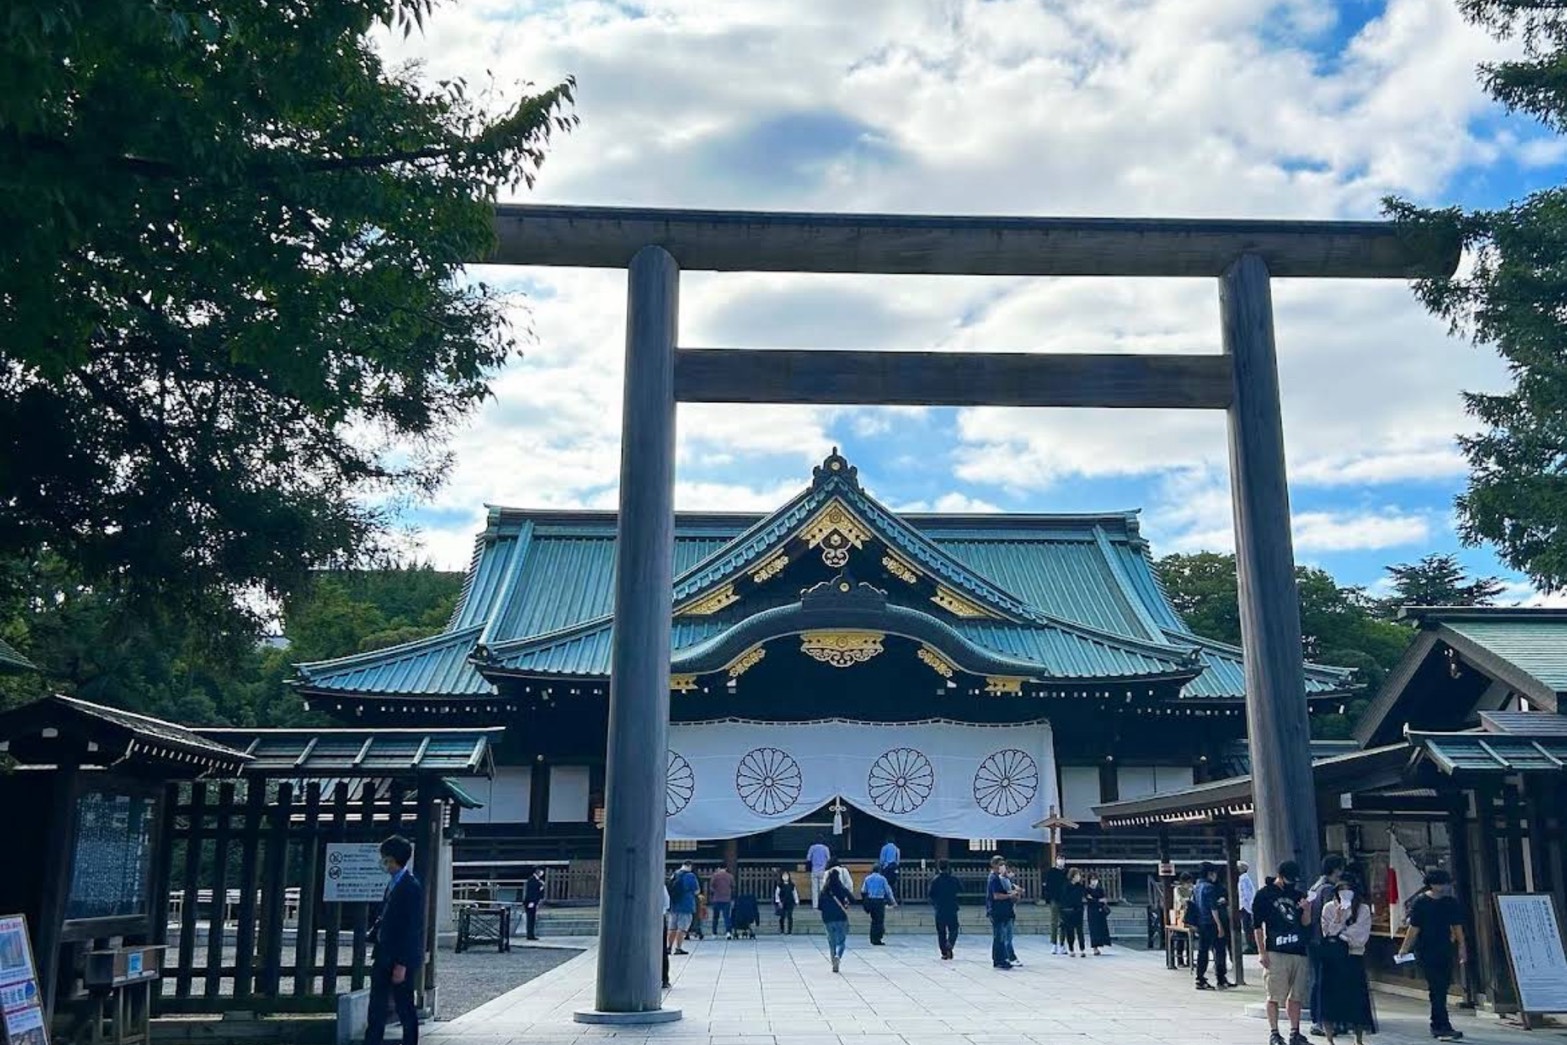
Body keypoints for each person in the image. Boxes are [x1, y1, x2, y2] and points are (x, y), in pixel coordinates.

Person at [1397, 869, 1467, 1042]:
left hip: (1444, 947)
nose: (1443, 887)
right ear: (1432, 884)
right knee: (1436, 987)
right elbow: (1414, 928)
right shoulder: (1420, 903)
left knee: (1442, 986)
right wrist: (1404, 948)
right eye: (1440, 883)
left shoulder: (1450, 902)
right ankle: (1441, 1025)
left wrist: (1462, 947)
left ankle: (1438, 1023)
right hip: (1426, 949)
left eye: (1445, 883)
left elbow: (1457, 926)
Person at [366, 836, 423, 1045]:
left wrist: (402, 963)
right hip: (384, 952)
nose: (383, 863)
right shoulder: (394, 883)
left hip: (400, 956)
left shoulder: (410, 887)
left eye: (386, 859)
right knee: (377, 1005)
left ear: (393, 859)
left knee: (404, 1005)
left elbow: (411, 928)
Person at [1254, 860, 1314, 1045]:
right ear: (1280, 875)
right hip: (1275, 950)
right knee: (1274, 995)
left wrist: (1306, 910)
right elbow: (1257, 926)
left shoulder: (1298, 894)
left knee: (1296, 995)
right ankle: (1274, 1033)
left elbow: (1305, 924)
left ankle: (1295, 1032)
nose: (1292, 883)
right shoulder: (1264, 895)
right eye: (1289, 879)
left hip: (1298, 950)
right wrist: (1262, 952)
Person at [1318, 873, 1376, 1045]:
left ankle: (1358, 1039)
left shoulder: (1363, 909)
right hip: (1332, 960)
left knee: (1356, 1000)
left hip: (1353, 957)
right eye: (1341, 890)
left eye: (1348, 890)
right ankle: (1330, 1038)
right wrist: (1337, 919)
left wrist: (1341, 936)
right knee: (1329, 1001)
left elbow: (1361, 935)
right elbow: (1327, 933)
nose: (1345, 893)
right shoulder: (1329, 908)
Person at [1307, 854, 1348, 1037]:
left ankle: (1317, 1020)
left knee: (1318, 981)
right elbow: (1331, 918)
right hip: (1326, 941)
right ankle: (1326, 1022)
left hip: (1313, 941)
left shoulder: (1314, 887)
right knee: (1329, 983)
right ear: (1337, 869)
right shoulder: (1329, 890)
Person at [1193, 861, 1232, 990]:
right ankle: (1221, 978)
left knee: (1202, 951)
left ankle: (1200, 978)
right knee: (1219, 950)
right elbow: (1213, 908)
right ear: (1210, 873)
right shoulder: (1209, 887)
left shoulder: (1197, 886)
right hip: (1212, 922)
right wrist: (1219, 925)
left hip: (1201, 922)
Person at [819, 859, 854, 973]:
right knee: (841, 942)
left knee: (831, 941)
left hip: (827, 919)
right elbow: (853, 898)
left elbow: (819, 906)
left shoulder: (824, 891)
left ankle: (833, 960)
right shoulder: (841, 889)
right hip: (841, 917)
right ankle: (838, 956)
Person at [987, 855, 1020, 970]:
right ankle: (1000, 959)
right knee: (999, 936)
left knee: (1001, 936)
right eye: (1000, 865)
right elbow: (996, 895)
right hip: (997, 911)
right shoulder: (994, 878)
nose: (1002, 867)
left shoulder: (1000, 877)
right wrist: (1010, 895)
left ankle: (1000, 959)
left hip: (1004, 910)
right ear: (995, 865)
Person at [929, 859, 962, 960]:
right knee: (954, 929)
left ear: (939, 868)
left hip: (940, 908)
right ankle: (950, 943)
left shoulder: (935, 880)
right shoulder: (954, 879)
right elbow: (961, 889)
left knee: (941, 932)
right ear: (948, 867)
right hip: (952, 907)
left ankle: (944, 952)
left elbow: (931, 894)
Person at [665, 860, 699, 955]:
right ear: (690, 866)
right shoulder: (690, 876)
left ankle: (669, 947)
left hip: (674, 905)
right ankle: (678, 948)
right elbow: (696, 891)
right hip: (686, 905)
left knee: (672, 928)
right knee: (682, 928)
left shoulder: (675, 874)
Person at [862, 864, 896, 945]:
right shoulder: (882, 879)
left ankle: (872, 937)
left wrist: (865, 901)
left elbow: (863, 890)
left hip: (871, 900)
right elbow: (888, 891)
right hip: (879, 901)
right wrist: (893, 901)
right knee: (879, 920)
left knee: (873, 920)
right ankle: (877, 938)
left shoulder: (867, 878)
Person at [1060, 867, 1087, 957]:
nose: (1079, 877)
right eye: (1077, 875)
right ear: (1072, 876)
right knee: (1070, 931)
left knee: (1080, 930)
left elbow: (1083, 896)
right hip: (1069, 910)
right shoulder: (1066, 886)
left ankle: (1082, 949)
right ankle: (1071, 948)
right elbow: (1064, 899)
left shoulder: (1080, 886)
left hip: (1078, 910)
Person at [1044, 856, 1068, 954]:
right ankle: (1054, 944)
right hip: (1054, 899)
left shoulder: (1067, 873)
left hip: (1065, 900)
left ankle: (1062, 944)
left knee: (1063, 922)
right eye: (1059, 859)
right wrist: (1048, 898)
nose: (1061, 861)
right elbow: (1048, 885)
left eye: (1062, 859)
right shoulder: (1052, 872)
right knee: (1054, 921)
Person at [1086, 871, 1112, 955]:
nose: (1094, 881)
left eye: (1095, 879)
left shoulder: (1100, 889)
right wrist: (1098, 900)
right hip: (1092, 911)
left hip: (1100, 911)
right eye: (1092, 879)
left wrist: (1098, 900)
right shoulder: (1087, 889)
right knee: (1093, 929)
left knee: (1101, 928)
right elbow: (1089, 900)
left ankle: (1102, 943)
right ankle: (1095, 948)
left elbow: (1104, 899)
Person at [708, 864, 736, 939]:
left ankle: (714, 933)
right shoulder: (730, 876)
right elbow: (733, 886)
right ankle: (728, 933)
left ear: (718, 868)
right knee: (727, 917)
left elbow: (711, 887)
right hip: (726, 899)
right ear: (726, 868)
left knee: (715, 917)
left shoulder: (715, 876)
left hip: (716, 899)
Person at [1239, 861, 1258, 954]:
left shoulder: (1243, 879)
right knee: (1247, 927)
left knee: (1248, 928)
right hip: (1245, 906)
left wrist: (1248, 907)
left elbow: (1246, 894)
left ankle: (1251, 946)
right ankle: (1251, 945)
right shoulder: (1243, 879)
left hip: (1245, 907)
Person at [806, 839, 831, 908]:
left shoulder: (812, 848)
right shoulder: (826, 848)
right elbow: (829, 859)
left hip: (814, 870)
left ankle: (815, 905)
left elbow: (808, 858)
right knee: (822, 888)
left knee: (814, 888)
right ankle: (822, 903)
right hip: (823, 871)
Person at [522, 867, 545, 941]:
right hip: (530, 902)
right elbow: (531, 892)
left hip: (534, 901)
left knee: (532, 919)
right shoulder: (532, 880)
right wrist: (531, 901)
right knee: (530, 919)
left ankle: (531, 934)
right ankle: (530, 935)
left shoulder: (537, 880)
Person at [774, 870, 799, 935]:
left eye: (786, 875)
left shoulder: (792, 885)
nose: (785, 877)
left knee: (790, 916)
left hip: (790, 902)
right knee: (782, 917)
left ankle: (789, 931)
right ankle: (782, 930)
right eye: (784, 875)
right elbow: (777, 893)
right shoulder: (780, 885)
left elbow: (794, 893)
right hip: (782, 902)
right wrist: (778, 901)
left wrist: (796, 901)